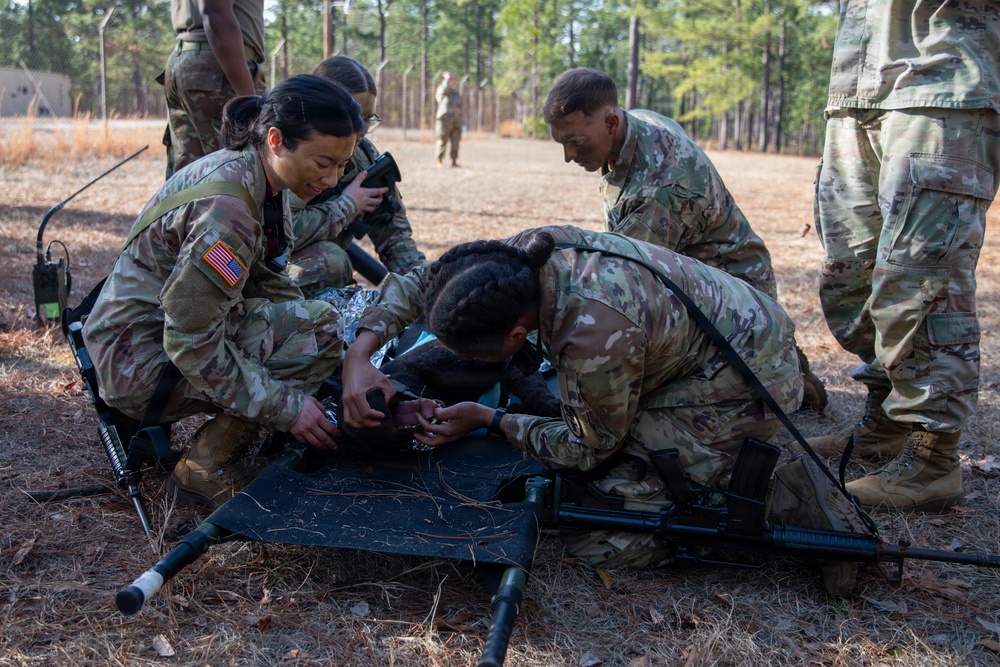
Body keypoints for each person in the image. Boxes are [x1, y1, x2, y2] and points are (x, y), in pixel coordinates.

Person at [341, 225, 865, 596]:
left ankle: (788, 498)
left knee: (602, 534)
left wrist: (491, 419)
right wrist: (359, 356)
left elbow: (587, 447)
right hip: (713, 340)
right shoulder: (517, 261)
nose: (472, 366)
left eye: (478, 356)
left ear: (518, 335)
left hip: (743, 376)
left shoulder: (591, 336)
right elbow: (419, 282)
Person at [83, 75, 366, 508]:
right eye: (323, 162)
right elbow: (189, 339)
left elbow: (268, 283)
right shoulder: (229, 210)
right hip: (138, 361)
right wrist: (287, 407)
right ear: (276, 140)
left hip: (150, 336)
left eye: (343, 164)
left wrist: (344, 365)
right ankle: (203, 469)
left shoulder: (261, 179)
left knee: (315, 324)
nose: (333, 178)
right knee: (319, 330)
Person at [806, 2, 1000, 512]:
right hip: (856, 90)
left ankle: (934, 457)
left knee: (919, 281)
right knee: (850, 274)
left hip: (941, 79)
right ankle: (886, 424)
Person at [542, 67, 828, 413]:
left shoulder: (658, 190)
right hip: (698, 273)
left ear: (611, 123)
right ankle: (779, 356)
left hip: (736, 296)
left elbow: (618, 279)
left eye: (576, 142)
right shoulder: (638, 123)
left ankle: (778, 365)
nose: (568, 156)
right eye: (561, 143)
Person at [287, 56, 426, 295]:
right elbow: (281, 233)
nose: (361, 129)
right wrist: (348, 205)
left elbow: (392, 231)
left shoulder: (363, 157)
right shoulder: (288, 151)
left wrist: (424, 283)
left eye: (368, 119)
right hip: (265, 270)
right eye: (354, 116)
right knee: (331, 262)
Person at [161, 0, 267, 179]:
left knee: (189, 176)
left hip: (189, 59)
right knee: (240, 172)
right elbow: (214, 10)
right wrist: (249, 99)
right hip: (222, 64)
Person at [435, 71, 463, 168]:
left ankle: (454, 161)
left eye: (453, 79)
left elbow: (460, 106)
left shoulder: (456, 92)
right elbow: (444, 88)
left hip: (456, 120)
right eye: (451, 79)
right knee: (442, 140)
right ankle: (440, 160)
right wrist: (447, 78)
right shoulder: (442, 89)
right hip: (445, 120)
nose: (453, 81)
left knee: (455, 142)